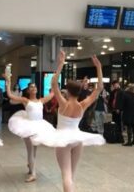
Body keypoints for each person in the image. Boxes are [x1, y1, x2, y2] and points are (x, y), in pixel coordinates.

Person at [32, 51, 105, 192]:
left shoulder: (64, 104)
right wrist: (98, 67)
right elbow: (99, 88)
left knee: (65, 175)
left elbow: (54, 84)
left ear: (68, 92)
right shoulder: (82, 105)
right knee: (72, 175)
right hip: (77, 139)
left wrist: (60, 64)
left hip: (63, 139)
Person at [5, 75, 56, 182]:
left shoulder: (41, 100)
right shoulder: (25, 100)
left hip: (40, 126)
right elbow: (10, 95)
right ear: (28, 90)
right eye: (31, 87)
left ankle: (30, 166)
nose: (33, 88)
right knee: (30, 150)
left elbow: (52, 93)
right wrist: (8, 81)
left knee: (34, 150)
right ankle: (33, 173)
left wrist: (54, 79)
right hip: (28, 126)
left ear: (37, 89)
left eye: (35, 87)